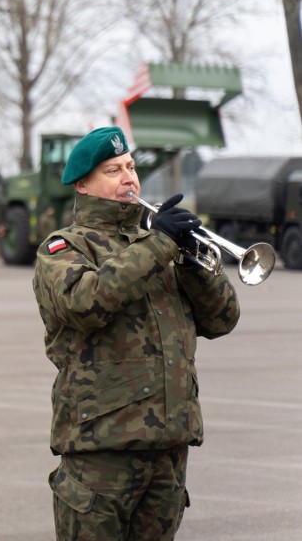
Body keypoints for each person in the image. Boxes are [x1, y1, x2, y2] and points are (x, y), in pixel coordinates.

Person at [32, 126, 240, 540]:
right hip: (101, 452)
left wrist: (190, 264)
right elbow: (84, 303)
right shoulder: (64, 248)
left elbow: (222, 320)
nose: (129, 177)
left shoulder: (160, 247)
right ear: (84, 185)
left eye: (130, 166)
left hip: (168, 449)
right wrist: (160, 243)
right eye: (113, 170)